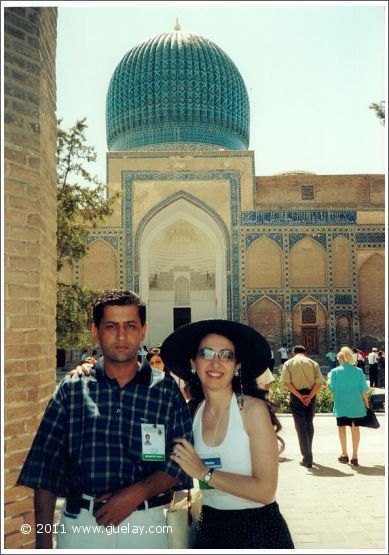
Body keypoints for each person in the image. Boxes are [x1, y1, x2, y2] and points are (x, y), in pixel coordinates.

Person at [17, 289, 193, 549]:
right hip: (81, 528)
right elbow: (46, 470)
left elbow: (181, 463)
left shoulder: (165, 391)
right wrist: (43, 545)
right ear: (96, 331)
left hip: (146, 528)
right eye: (111, 326)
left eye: (130, 326)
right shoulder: (72, 389)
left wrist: (136, 494)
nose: (121, 336)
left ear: (143, 330)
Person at [160, 319, 294, 549]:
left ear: (237, 366)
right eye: (207, 353)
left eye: (226, 355)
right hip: (210, 528)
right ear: (194, 362)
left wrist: (204, 473)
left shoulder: (252, 411)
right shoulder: (192, 413)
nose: (216, 362)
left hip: (258, 532)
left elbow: (265, 491)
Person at [280, 345, 324, 468]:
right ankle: (309, 453)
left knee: (300, 425)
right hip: (311, 395)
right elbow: (319, 382)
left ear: (293, 353)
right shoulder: (313, 363)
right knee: (309, 423)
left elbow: (287, 383)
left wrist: (300, 397)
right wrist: (309, 396)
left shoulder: (288, 363)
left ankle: (307, 457)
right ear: (305, 352)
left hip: (296, 395)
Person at [328, 346, 369, 466]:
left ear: (340, 359)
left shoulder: (335, 372)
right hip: (357, 405)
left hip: (341, 404)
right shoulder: (358, 371)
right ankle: (355, 456)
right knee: (355, 429)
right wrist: (366, 405)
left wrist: (329, 379)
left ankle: (344, 454)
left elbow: (332, 388)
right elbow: (364, 391)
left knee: (341, 429)